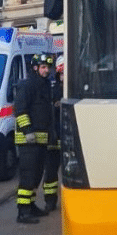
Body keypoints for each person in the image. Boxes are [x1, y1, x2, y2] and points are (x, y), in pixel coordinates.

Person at [13, 53, 55, 224]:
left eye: (48, 68)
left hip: (41, 139)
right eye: (43, 67)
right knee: (28, 176)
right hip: (28, 140)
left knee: (36, 175)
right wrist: (28, 131)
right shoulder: (27, 85)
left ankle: (30, 206)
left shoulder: (45, 85)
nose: (46, 71)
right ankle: (23, 211)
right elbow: (20, 110)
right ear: (36, 68)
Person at [42, 56, 64, 212]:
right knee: (50, 172)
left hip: (70, 138)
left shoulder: (76, 86)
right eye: (61, 73)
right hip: (54, 137)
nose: (63, 76)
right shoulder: (52, 88)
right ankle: (50, 201)